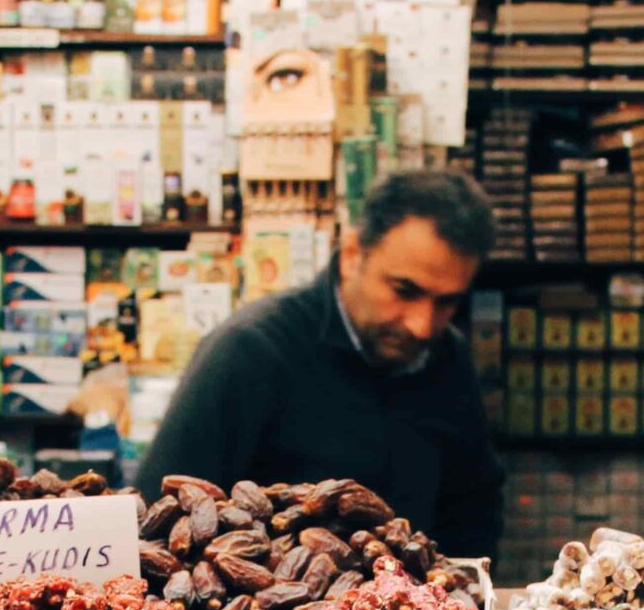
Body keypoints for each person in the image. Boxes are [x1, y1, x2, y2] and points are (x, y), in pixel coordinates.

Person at [136, 169, 506, 550]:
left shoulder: (446, 356)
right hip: (270, 607)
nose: (423, 325)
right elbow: (160, 516)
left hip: (417, 602)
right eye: (404, 290)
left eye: (447, 301)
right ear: (350, 256)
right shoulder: (251, 350)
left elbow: (474, 509)